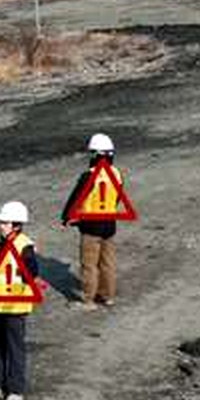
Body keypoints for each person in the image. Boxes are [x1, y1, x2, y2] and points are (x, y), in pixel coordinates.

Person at [0, 201, 44, 400]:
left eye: (5, 222)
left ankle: (15, 389)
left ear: (17, 224)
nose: (1, 225)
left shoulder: (25, 246)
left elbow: (32, 272)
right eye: (1, 222)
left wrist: (28, 267)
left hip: (15, 307)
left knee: (15, 348)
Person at [60, 132, 123, 310]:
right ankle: (108, 296)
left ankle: (88, 300)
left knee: (89, 265)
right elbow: (117, 198)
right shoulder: (117, 174)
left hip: (90, 227)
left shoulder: (89, 175)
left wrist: (66, 217)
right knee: (108, 263)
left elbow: (76, 198)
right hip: (110, 224)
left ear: (95, 155)